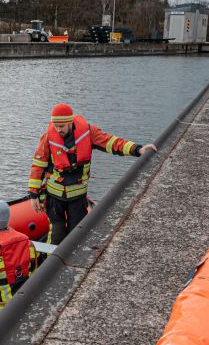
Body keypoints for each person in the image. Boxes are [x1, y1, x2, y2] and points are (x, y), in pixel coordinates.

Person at [28, 103, 157, 244]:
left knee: (75, 235)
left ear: (70, 122)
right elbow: (38, 166)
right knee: (57, 233)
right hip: (54, 198)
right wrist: (34, 195)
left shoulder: (88, 133)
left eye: (62, 126)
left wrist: (137, 149)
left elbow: (112, 143)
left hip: (77, 197)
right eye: (56, 126)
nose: (59, 130)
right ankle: (50, 261)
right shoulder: (48, 138)